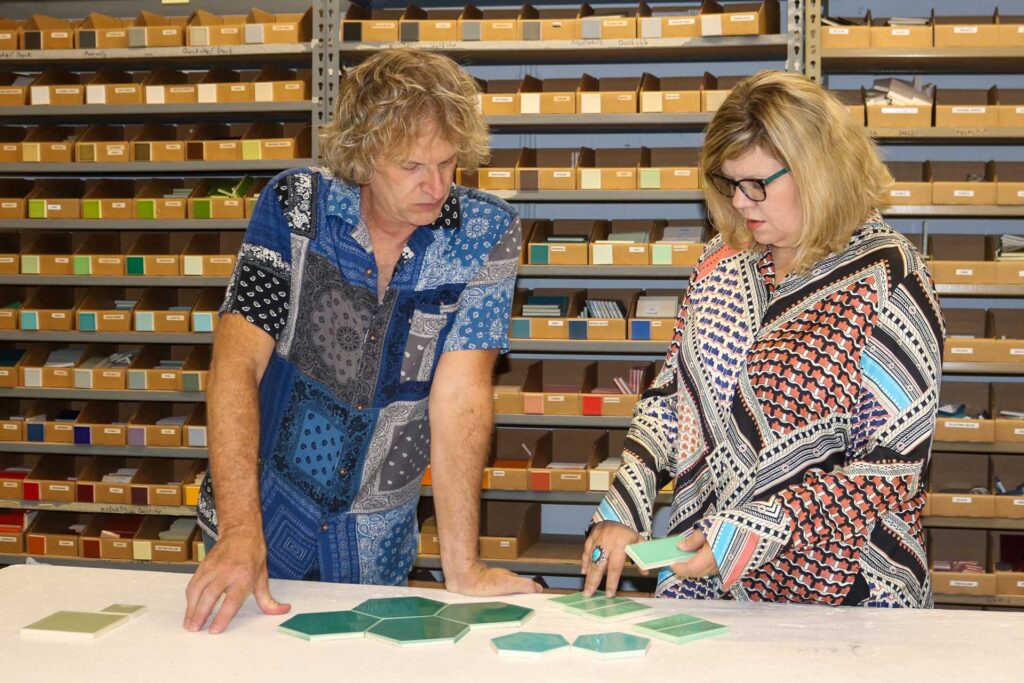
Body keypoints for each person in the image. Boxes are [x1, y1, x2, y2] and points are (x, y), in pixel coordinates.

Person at [184, 47, 540, 634]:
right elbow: (235, 367)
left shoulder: (486, 232)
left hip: (373, 542)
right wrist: (241, 532)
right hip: (263, 520)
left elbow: (461, 397)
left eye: (449, 163)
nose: (436, 186)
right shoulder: (296, 207)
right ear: (363, 153)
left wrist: (463, 568)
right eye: (411, 167)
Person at [582, 70, 945, 607]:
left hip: (842, 586)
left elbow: (891, 466)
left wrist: (748, 532)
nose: (742, 204)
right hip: (708, 576)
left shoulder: (888, 277)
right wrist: (623, 509)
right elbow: (671, 398)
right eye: (729, 185)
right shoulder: (720, 261)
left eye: (757, 185)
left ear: (819, 170)